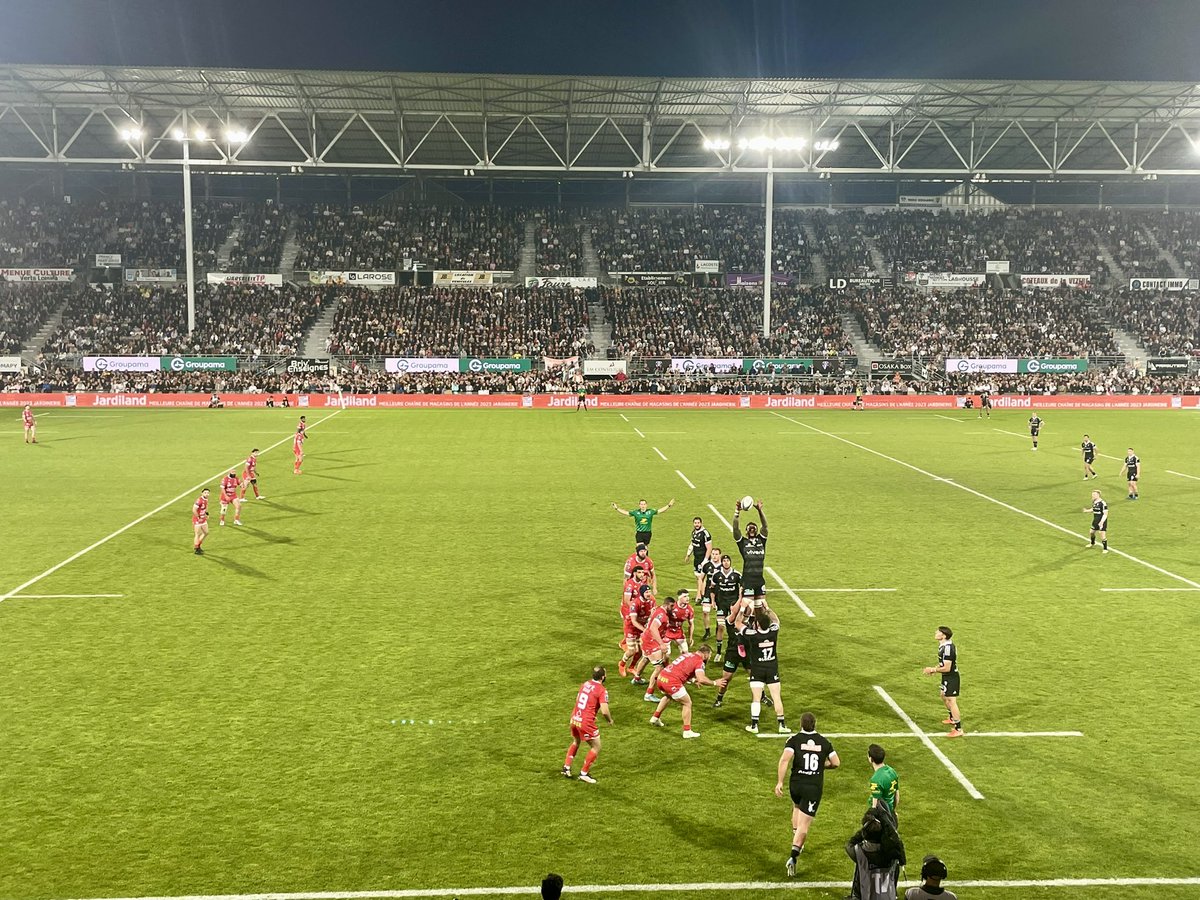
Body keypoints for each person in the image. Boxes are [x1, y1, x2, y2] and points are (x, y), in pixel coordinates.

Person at [776, 711, 840, 876]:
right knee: (805, 825)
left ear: (801, 724)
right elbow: (836, 763)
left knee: (796, 807)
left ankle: (795, 836)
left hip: (795, 785)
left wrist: (780, 782)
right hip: (812, 787)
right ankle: (793, 857)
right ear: (815, 724)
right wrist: (821, 765)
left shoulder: (793, 740)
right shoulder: (824, 742)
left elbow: (784, 759)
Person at [739, 601, 789, 734]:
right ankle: (782, 725)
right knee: (776, 697)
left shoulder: (753, 635)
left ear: (757, 624)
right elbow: (776, 619)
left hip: (757, 669)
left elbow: (738, 624)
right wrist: (766, 608)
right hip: (772, 668)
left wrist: (743, 608)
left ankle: (754, 726)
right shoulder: (773, 631)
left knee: (756, 698)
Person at [648, 645, 715, 738]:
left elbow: (682, 669)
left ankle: (655, 718)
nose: (709, 658)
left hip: (662, 677)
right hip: (672, 682)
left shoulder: (687, 654)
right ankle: (687, 731)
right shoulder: (699, 661)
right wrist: (715, 683)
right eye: (710, 655)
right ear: (706, 654)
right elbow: (702, 679)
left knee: (668, 696)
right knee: (687, 703)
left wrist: (694, 680)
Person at [562, 666, 612, 784]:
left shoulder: (585, 684)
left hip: (574, 718)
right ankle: (584, 773)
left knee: (576, 742)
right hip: (586, 722)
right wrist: (610, 720)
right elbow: (605, 711)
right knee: (596, 747)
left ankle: (566, 767)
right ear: (603, 677)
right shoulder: (602, 690)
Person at [845, 806, 906, 900]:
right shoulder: (894, 852)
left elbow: (850, 844)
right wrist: (885, 824)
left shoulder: (859, 852)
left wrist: (866, 828)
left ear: (865, 834)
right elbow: (895, 839)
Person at [923, 626, 962, 737]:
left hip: (951, 677)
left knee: (951, 701)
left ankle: (958, 729)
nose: (936, 633)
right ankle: (952, 718)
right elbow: (943, 664)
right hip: (947, 676)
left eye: (938, 632)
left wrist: (933, 669)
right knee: (943, 696)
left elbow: (947, 668)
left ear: (943, 635)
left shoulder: (948, 648)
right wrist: (935, 669)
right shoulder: (943, 646)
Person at [633, 596, 674, 696]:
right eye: (672, 606)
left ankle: (636, 678)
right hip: (651, 641)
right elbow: (653, 628)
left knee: (645, 658)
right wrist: (661, 643)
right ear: (667, 605)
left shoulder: (659, 609)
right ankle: (649, 694)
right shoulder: (662, 615)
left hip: (646, 638)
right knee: (659, 667)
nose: (673, 608)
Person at [708, 553, 742, 662]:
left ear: (730, 562)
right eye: (724, 561)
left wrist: (740, 601)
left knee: (735, 628)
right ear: (721, 562)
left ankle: (737, 649)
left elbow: (742, 588)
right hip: (721, 604)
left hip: (733, 604)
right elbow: (712, 588)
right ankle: (718, 652)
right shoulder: (716, 575)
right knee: (721, 626)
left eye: (727, 561)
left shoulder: (737, 575)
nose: (726, 562)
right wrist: (713, 601)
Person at [734, 498, 769, 604]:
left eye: (753, 528)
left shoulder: (761, 540)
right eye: (750, 528)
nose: (752, 530)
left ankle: (772, 621)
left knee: (762, 607)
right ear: (746, 531)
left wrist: (760, 511)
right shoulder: (743, 543)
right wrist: (737, 512)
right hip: (747, 580)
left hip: (759, 580)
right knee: (747, 607)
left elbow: (765, 526)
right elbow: (735, 529)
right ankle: (736, 621)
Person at [619, 582, 655, 681]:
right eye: (647, 592)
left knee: (640, 651)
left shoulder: (652, 601)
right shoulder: (635, 603)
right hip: (631, 627)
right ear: (642, 593)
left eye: (650, 591)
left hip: (641, 627)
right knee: (632, 650)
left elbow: (652, 615)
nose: (649, 594)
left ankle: (631, 667)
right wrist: (645, 630)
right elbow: (634, 621)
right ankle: (622, 664)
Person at [685, 517, 713, 615]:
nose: (696, 524)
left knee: (701, 578)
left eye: (698, 523)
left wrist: (705, 561)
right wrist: (688, 554)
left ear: (701, 523)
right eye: (695, 523)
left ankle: (700, 597)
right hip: (696, 559)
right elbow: (693, 544)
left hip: (703, 559)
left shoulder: (705, 534)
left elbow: (709, 548)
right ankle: (702, 595)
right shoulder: (694, 532)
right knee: (698, 577)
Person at [697, 545, 722, 641]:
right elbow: (701, 578)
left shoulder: (722, 566)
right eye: (713, 554)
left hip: (719, 592)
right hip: (708, 591)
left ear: (720, 555)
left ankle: (717, 630)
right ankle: (707, 631)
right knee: (705, 611)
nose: (714, 556)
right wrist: (700, 592)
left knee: (719, 612)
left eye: (716, 554)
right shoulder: (707, 565)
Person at [867, 744, 899, 817]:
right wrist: (893, 811)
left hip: (881, 814)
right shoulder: (892, 771)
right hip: (889, 811)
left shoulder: (876, 779)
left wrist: (872, 817)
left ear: (871, 759)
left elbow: (874, 805)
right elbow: (896, 795)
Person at [663, 589, 695, 655]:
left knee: (686, 653)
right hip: (667, 631)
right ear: (679, 598)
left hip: (678, 632)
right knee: (666, 654)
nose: (687, 598)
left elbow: (691, 624)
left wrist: (691, 637)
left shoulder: (689, 609)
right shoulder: (672, 606)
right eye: (685, 596)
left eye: (688, 596)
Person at [1084, 489, 1109, 553]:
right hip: (1095, 520)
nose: (1093, 496)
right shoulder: (1094, 501)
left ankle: (1105, 549)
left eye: (1094, 494)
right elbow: (1093, 509)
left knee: (1102, 534)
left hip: (1102, 520)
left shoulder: (1103, 503)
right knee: (1091, 532)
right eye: (1092, 494)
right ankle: (1092, 543)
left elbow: (1105, 513)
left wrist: (1102, 522)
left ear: (1098, 495)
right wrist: (1087, 510)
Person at [192, 488, 211, 555]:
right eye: (205, 492)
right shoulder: (199, 500)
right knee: (197, 534)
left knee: (206, 532)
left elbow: (205, 508)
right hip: (198, 520)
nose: (207, 494)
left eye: (208, 493)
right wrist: (198, 517)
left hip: (203, 519)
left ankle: (198, 545)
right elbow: (194, 510)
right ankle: (196, 549)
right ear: (202, 493)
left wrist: (207, 514)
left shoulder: (206, 499)